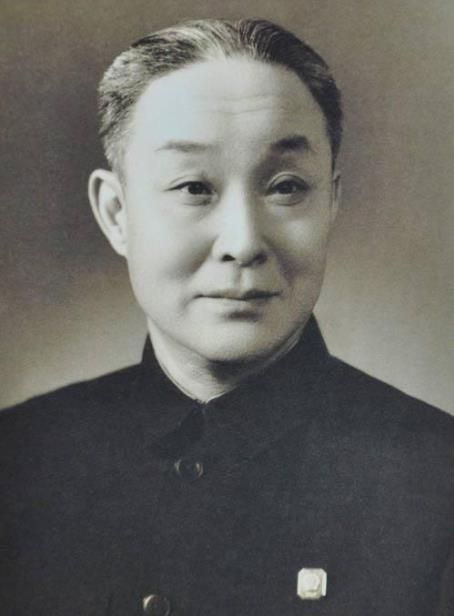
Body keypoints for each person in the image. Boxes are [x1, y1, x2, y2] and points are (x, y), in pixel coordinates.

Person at [0, 18, 452, 616]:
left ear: (331, 204)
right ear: (116, 213)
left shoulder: (438, 480)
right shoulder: (18, 460)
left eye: (286, 187)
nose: (243, 242)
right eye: (193, 187)